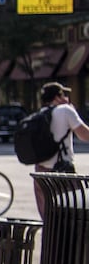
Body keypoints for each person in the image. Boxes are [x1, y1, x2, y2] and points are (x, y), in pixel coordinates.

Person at [33, 81, 89, 216]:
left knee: (49, 219)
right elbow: (85, 136)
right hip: (62, 172)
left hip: (40, 173)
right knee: (73, 216)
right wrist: (72, 111)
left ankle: (48, 238)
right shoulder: (65, 110)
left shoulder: (41, 114)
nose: (66, 98)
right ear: (57, 98)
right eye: (64, 95)